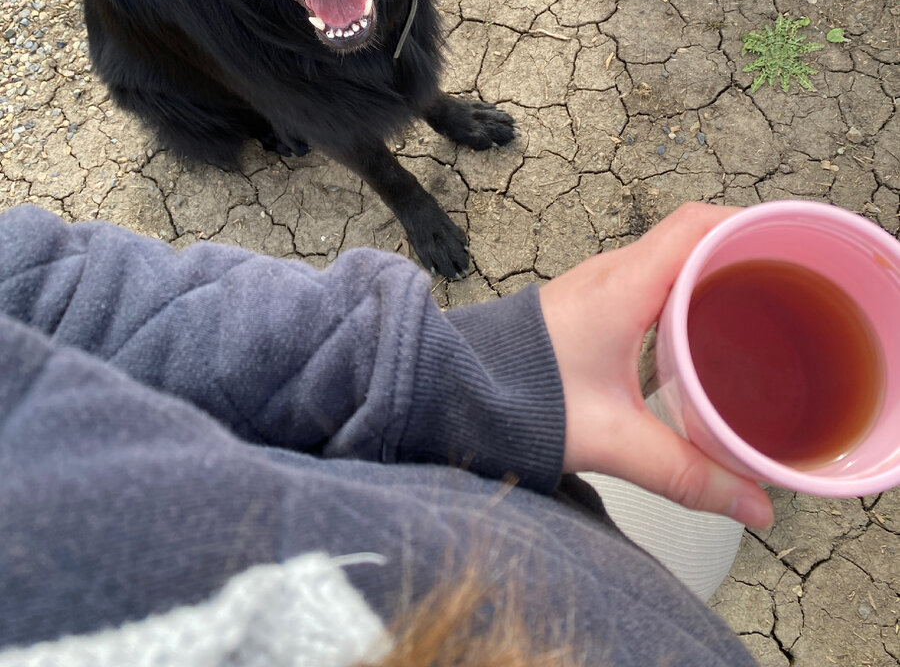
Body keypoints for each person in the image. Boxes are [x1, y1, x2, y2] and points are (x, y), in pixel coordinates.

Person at [0, 201, 772, 666]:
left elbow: (46, 293)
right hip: (563, 554)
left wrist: (484, 376)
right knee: (699, 530)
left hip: (551, 526)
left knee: (688, 526)